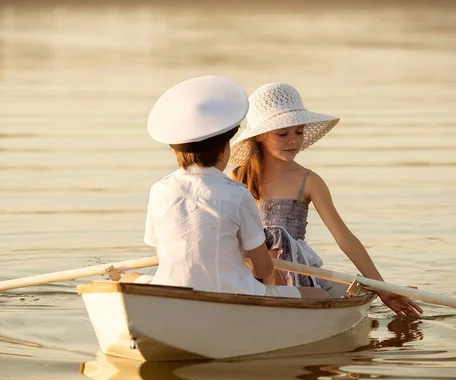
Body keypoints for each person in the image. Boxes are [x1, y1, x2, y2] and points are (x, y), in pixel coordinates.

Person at [115, 76, 329, 299]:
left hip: (170, 289)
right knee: (321, 296)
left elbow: (162, 253)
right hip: (234, 292)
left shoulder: (160, 190)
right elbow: (264, 270)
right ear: (224, 150)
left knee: (125, 278)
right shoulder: (237, 194)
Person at [230, 82, 423, 318]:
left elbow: (344, 238)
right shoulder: (239, 177)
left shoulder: (309, 181)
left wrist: (382, 288)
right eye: (282, 133)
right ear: (260, 137)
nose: (293, 140)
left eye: (299, 132)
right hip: (251, 268)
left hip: (293, 271)